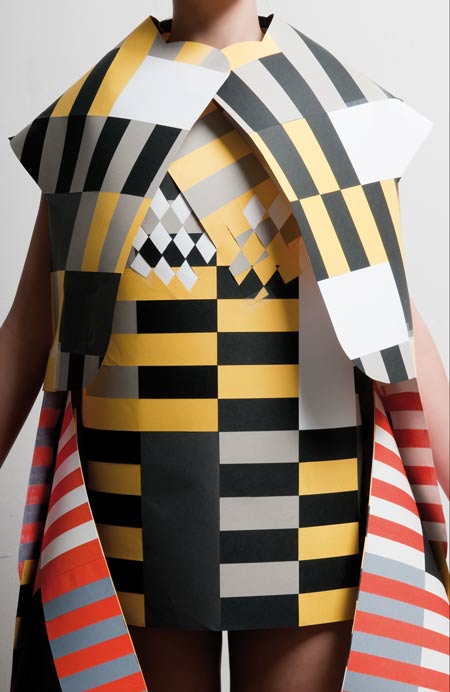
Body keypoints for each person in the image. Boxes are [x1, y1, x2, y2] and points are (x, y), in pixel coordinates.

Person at [1, 2, 449, 691]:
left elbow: (392, 322)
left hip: (312, 496)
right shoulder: (93, 117)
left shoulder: (338, 107)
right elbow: (33, 327)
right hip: (136, 498)